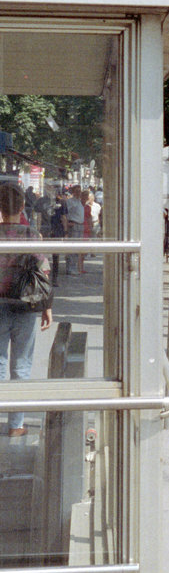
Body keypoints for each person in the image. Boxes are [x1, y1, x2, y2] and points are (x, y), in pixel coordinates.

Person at [0, 183, 52, 436]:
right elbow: (43, 273)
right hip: (25, 306)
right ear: (22, 206)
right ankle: (16, 425)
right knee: (21, 367)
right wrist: (46, 307)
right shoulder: (31, 235)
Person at [63, 186, 85, 274]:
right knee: (72, 247)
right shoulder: (70, 202)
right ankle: (70, 268)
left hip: (80, 225)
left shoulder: (79, 202)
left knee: (77, 248)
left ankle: (74, 267)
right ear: (73, 192)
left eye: (80, 191)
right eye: (77, 191)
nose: (79, 193)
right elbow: (66, 212)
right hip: (74, 225)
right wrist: (68, 222)